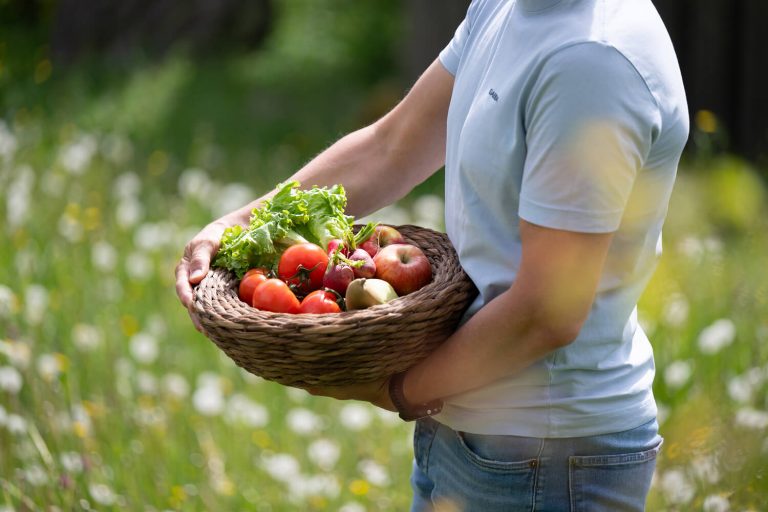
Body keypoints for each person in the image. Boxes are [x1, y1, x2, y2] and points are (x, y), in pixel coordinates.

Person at [176, 0, 689, 509]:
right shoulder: (506, 7)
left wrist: (401, 391)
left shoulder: (591, 60)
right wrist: (240, 226)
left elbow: (546, 312)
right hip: (469, 436)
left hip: (545, 458)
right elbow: (394, 145)